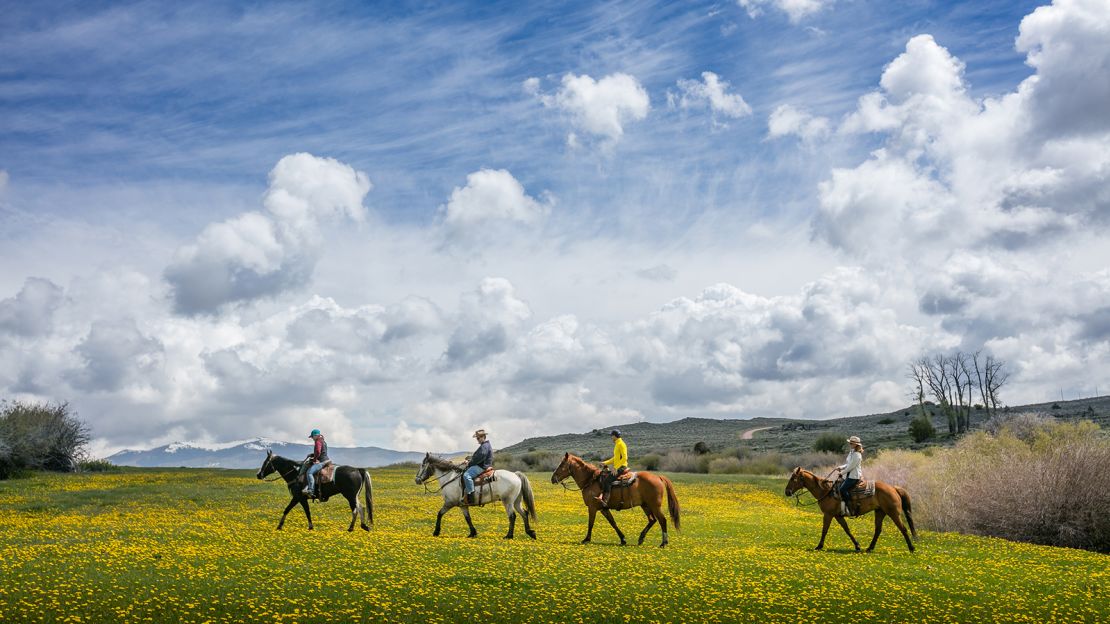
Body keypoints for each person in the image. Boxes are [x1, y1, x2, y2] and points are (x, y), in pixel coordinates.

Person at [596, 430, 628, 508]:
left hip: (621, 467)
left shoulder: (621, 444)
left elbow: (625, 458)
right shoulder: (617, 444)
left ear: (614, 436)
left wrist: (615, 468)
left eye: (611, 436)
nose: (611, 437)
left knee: (607, 480)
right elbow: (615, 458)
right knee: (603, 476)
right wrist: (605, 463)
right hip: (618, 467)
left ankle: (605, 501)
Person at [462, 429, 493, 505]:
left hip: (482, 466)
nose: (477, 440)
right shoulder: (485, 445)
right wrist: (469, 460)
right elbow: (477, 457)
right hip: (482, 465)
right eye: (477, 438)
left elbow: (480, 457)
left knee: (466, 475)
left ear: (484, 437)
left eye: (479, 438)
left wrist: (469, 463)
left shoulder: (484, 446)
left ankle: (471, 496)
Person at [836, 435, 864, 516]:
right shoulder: (852, 452)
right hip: (849, 475)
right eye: (850, 443)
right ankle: (842, 506)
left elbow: (851, 467)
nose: (850, 444)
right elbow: (848, 464)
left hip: (854, 476)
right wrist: (840, 467)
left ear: (856, 445)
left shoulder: (857, 455)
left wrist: (842, 473)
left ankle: (850, 507)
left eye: (852, 443)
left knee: (842, 490)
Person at [302, 429, 329, 496]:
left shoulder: (318, 441)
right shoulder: (323, 441)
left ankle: (311, 490)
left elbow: (318, 451)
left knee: (309, 472)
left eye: (312, 437)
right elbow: (322, 452)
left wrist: (314, 460)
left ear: (316, 435)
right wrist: (311, 455)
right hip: (326, 460)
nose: (312, 439)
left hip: (322, 461)